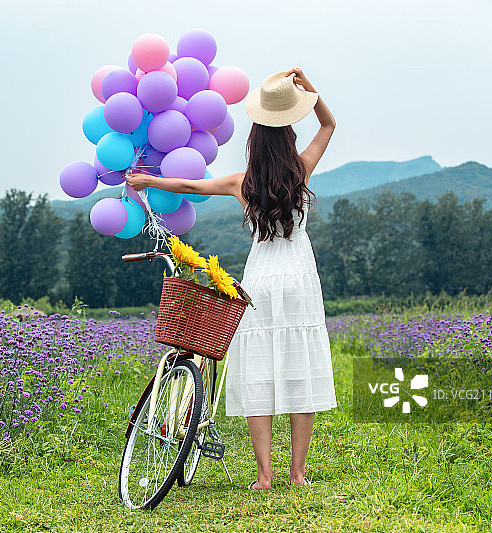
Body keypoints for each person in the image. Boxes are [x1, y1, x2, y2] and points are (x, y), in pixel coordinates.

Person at [125, 68, 337, 490]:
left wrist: (148, 179)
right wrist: (308, 90)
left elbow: (190, 183)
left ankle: (264, 475)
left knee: (259, 369)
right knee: (298, 366)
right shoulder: (301, 171)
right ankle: (298, 474)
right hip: (298, 277)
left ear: (254, 139)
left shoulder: (243, 182)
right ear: (289, 135)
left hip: (260, 277)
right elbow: (329, 124)